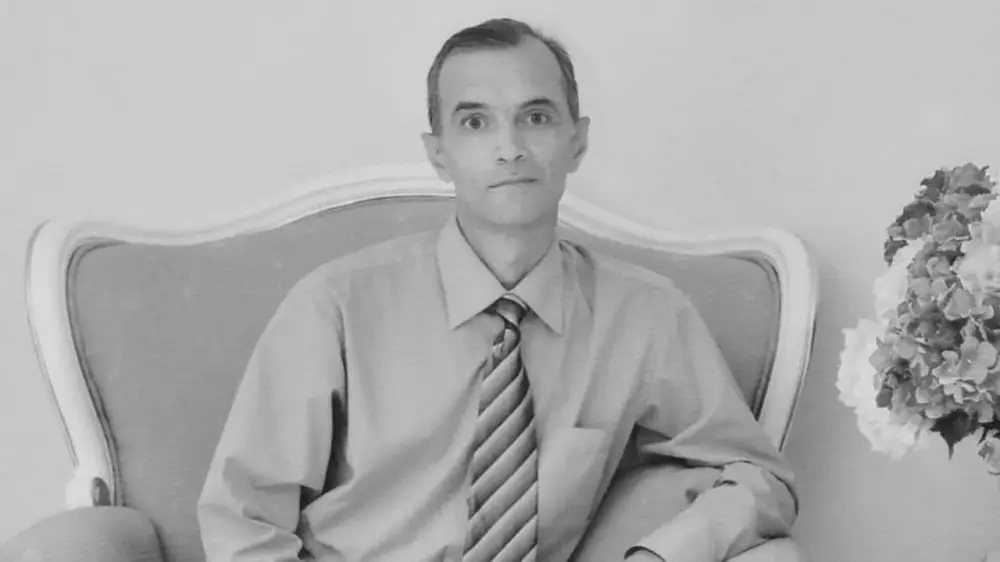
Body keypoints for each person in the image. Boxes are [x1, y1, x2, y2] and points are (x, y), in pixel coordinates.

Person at [197, 17, 798, 562]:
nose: (510, 148)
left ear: (577, 141)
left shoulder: (645, 315)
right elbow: (242, 519)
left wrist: (662, 555)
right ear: (438, 153)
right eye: (475, 122)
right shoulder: (335, 307)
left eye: (536, 118)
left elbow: (759, 477)